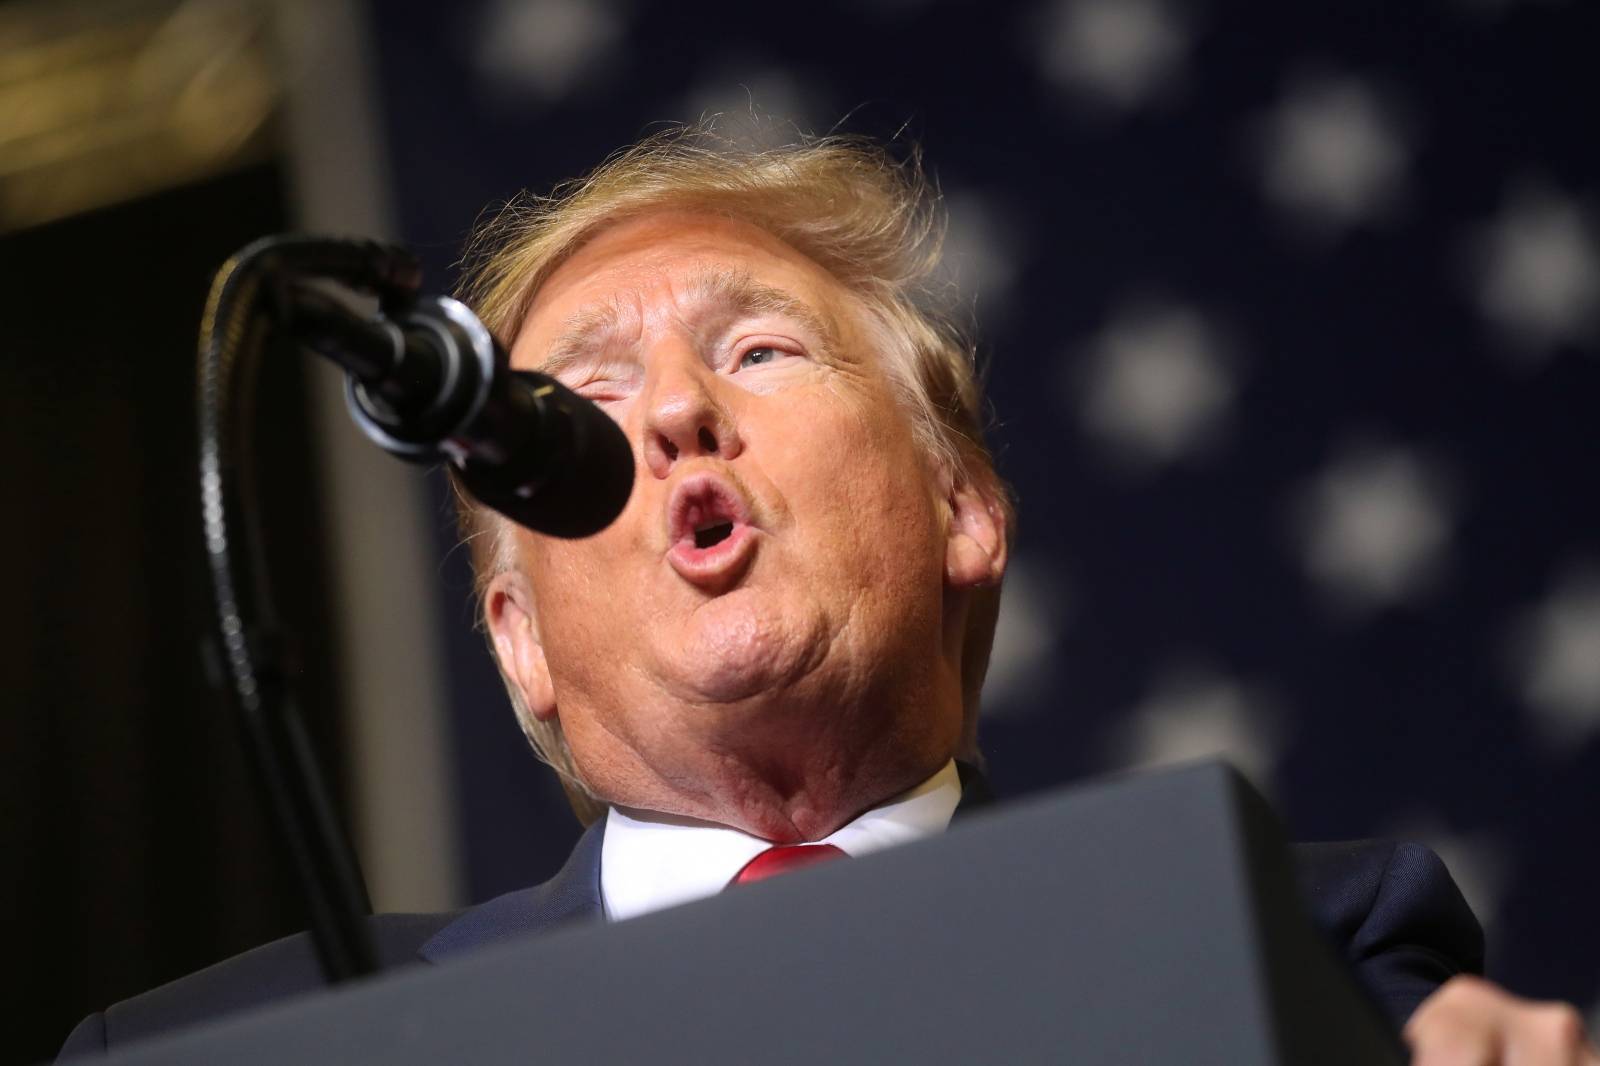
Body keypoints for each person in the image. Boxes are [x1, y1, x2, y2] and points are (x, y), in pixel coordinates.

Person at [61, 127, 1598, 1064]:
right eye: (584, 395)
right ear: (518, 639)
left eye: (759, 350)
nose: (669, 415)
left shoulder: (1311, 944)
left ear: (962, 508)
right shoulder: (216, 1052)